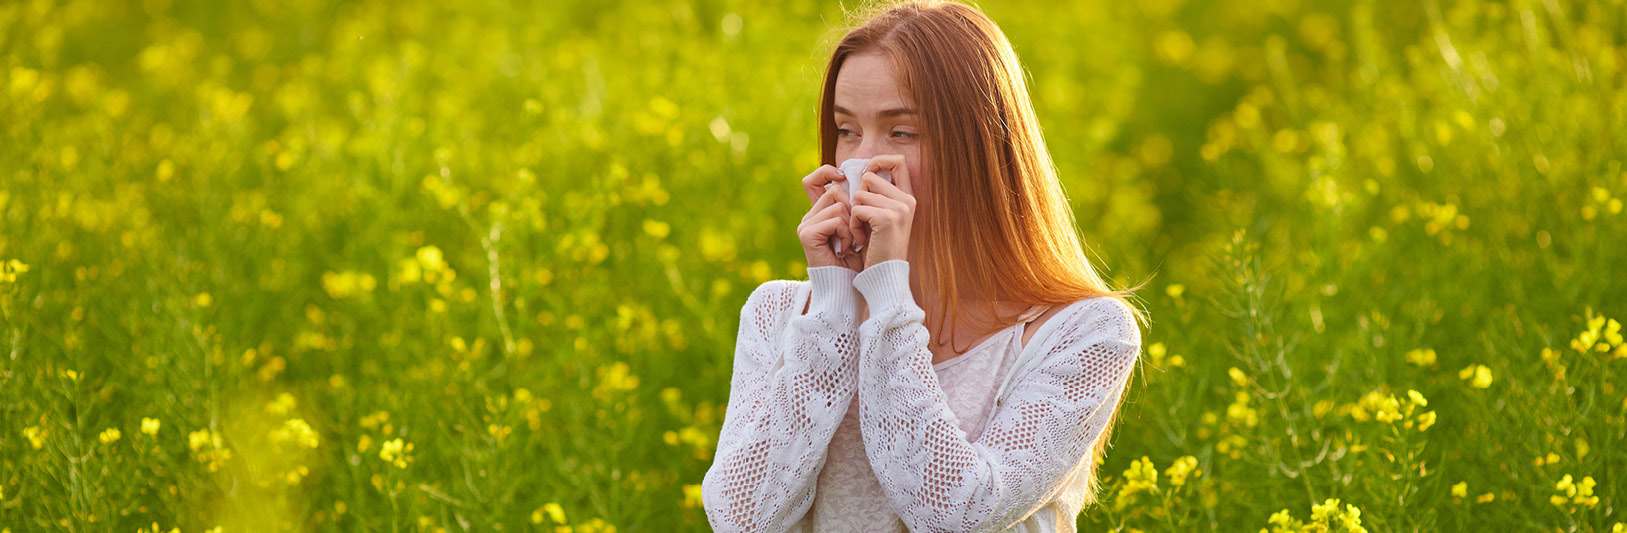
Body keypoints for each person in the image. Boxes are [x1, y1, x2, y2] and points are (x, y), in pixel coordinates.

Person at [702, 1, 1149, 531]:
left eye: (901, 133)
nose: (861, 163)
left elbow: (955, 513)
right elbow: (740, 518)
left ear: (981, 147)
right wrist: (835, 305)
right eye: (847, 130)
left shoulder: (1082, 333)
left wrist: (889, 295)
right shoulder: (781, 314)